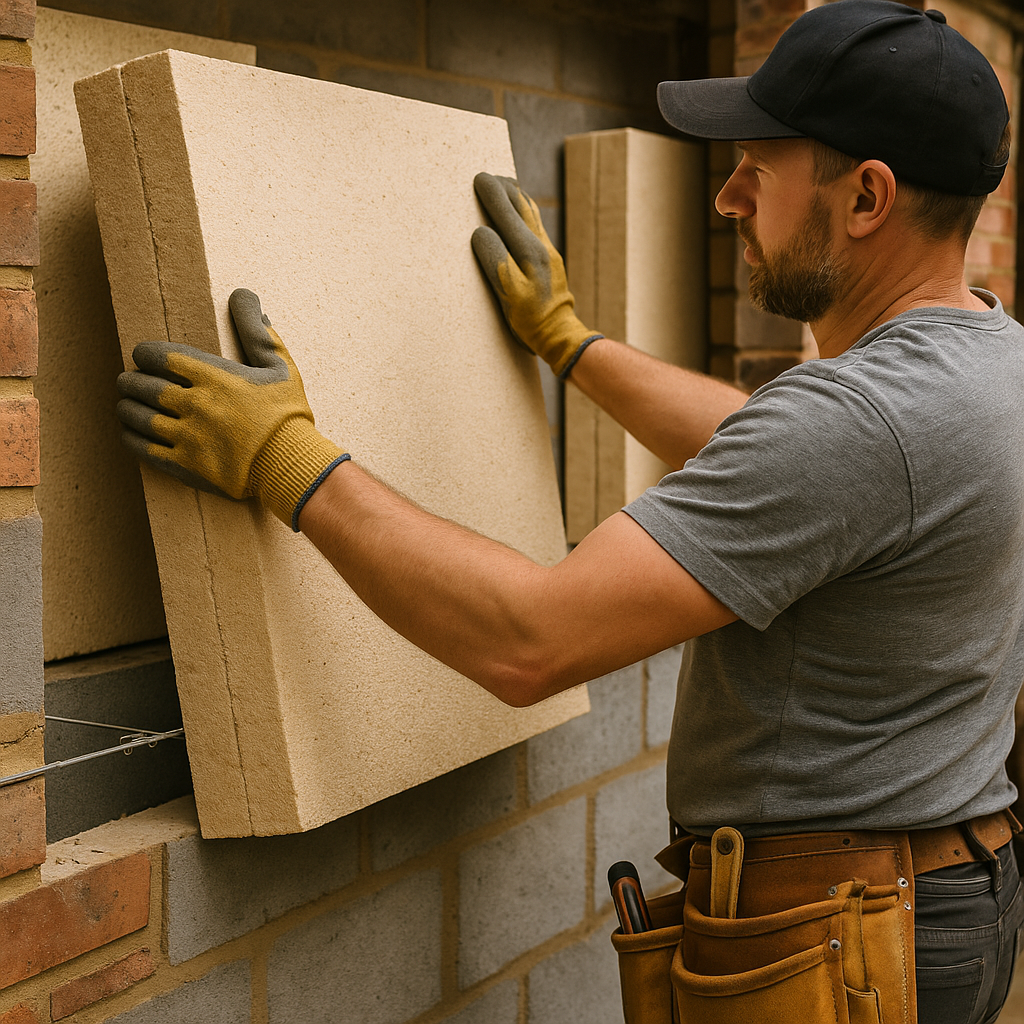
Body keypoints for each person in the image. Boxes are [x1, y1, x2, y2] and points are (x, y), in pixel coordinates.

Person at [115, 1, 1024, 1019]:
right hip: (948, 892)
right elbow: (767, 450)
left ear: (866, 197)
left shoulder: (855, 421)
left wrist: (287, 459)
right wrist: (565, 340)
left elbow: (529, 640)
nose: (727, 197)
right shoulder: (986, 363)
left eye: (757, 169)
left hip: (838, 935)